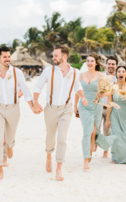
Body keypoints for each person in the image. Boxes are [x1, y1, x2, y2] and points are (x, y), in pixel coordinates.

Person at [33, 44, 88, 181]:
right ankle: (48, 155)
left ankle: (59, 169)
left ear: (64, 56)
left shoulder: (75, 72)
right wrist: (35, 101)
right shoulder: (48, 71)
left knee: (62, 138)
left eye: (55, 55)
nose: (53, 58)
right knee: (50, 136)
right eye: (53, 55)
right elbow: (38, 86)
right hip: (50, 109)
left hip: (66, 109)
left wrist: (82, 97)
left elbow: (77, 86)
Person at [0, 46, 35, 180]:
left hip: (13, 108)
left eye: (8, 57)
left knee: (9, 137)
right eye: (5, 57)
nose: (8, 59)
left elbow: (26, 89)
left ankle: (10, 145)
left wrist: (32, 106)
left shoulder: (17, 72)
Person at [74, 53, 116, 169]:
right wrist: (75, 106)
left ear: (96, 63)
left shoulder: (101, 76)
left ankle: (90, 154)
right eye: (88, 61)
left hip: (96, 107)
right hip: (84, 107)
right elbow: (77, 91)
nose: (89, 63)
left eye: (92, 61)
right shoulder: (80, 75)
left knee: (94, 133)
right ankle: (86, 159)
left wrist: (102, 94)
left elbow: (109, 92)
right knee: (88, 131)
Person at [98, 56, 118, 158]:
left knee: (107, 131)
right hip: (99, 107)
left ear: (116, 66)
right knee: (95, 128)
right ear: (106, 65)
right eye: (109, 64)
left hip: (111, 109)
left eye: (113, 64)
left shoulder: (118, 79)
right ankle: (93, 147)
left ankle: (105, 151)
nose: (111, 66)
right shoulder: (100, 77)